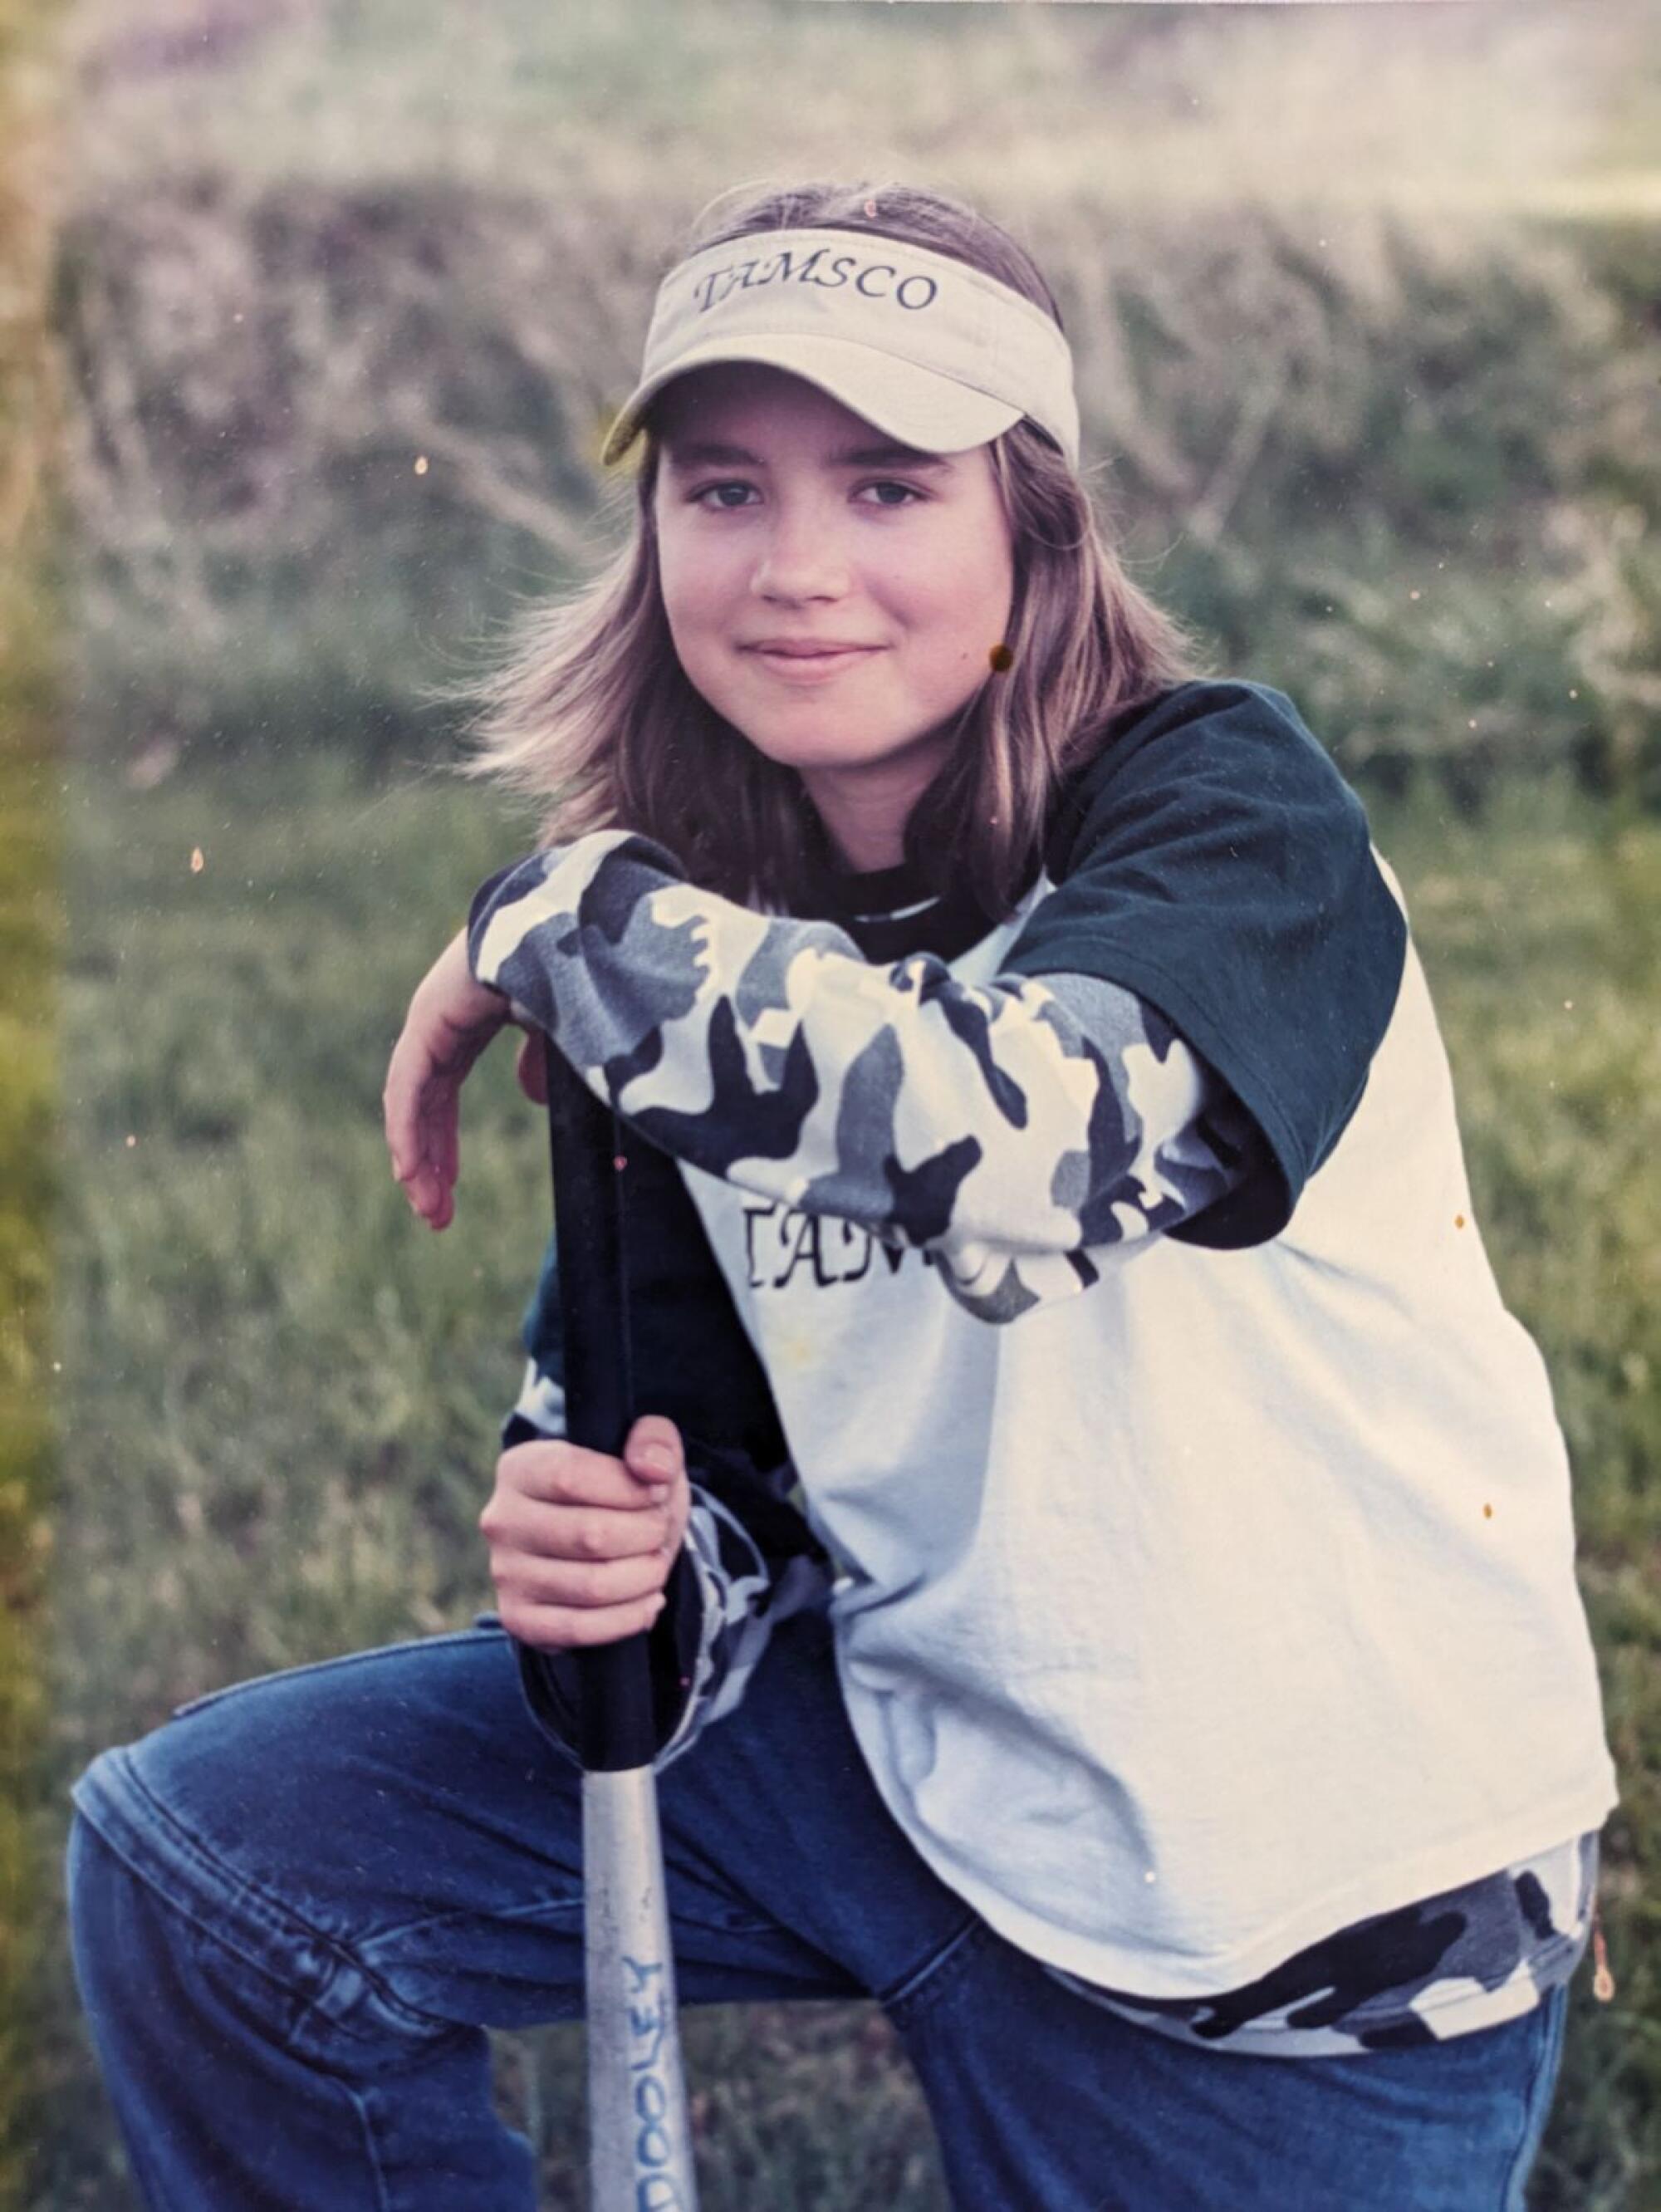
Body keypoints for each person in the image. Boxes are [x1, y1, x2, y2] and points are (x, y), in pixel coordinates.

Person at [66, 179, 1619, 2210]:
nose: (795, 569)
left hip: (1293, 1919)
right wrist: (618, 1568)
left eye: (888, 488)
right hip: (928, 1758)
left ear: (1029, 534)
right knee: (216, 1865)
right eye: (723, 491)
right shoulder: (688, 954)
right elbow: (710, 1492)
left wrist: (557, 915)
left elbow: (1024, 1153)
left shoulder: (1228, 808)